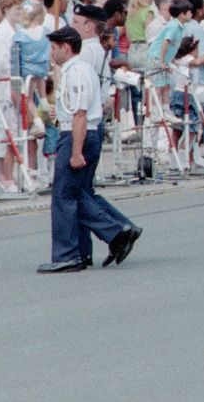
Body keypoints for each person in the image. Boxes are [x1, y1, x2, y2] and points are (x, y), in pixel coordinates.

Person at [37, 26, 143, 273]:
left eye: (54, 48)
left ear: (66, 47)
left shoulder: (77, 72)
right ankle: (88, 248)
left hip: (78, 134)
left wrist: (76, 151)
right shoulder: (77, 70)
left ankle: (79, 249)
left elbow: (80, 115)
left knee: (64, 196)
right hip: (80, 131)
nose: (51, 53)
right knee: (79, 192)